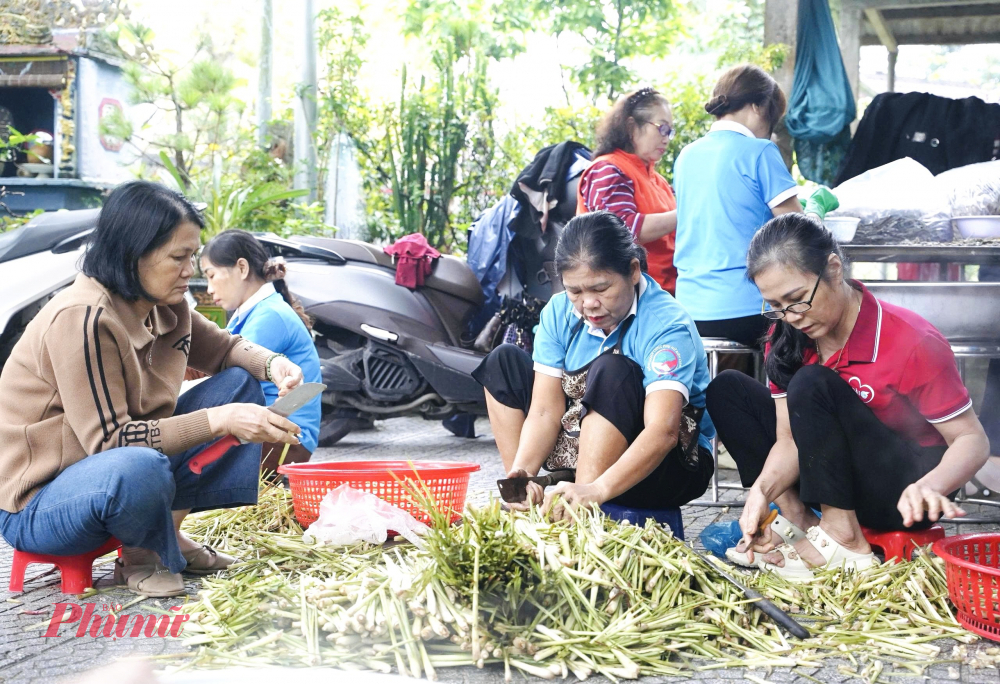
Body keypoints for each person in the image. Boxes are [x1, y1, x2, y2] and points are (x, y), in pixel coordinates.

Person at [0, 181, 305, 597]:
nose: (190, 270)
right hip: (42, 504)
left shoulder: (165, 303)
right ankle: (141, 554)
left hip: (118, 466)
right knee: (141, 465)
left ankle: (168, 537)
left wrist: (274, 365)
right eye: (178, 257)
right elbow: (110, 443)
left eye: (193, 255)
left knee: (237, 385)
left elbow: (225, 348)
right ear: (133, 254)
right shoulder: (83, 319)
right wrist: (218, 421)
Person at [706, 214, 989, 580]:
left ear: (834, 269)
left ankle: (846, 541)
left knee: (812, 383)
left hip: (902, 491)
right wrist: (762, 492)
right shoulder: (789, 336)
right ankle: (801, 525)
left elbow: (972, 441)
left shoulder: (910, 339)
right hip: (830, 477)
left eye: (796, 300)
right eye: (776, 305)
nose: (790, 317)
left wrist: (928, 487)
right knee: (728, 389)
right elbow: (789, 440)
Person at [473, 211, 714, 518]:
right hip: (581, 448)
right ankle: (525, 504)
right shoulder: (558, 312)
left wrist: (594, 491)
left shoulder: (666, 324)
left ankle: (578, 515)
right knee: (502, 362)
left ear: (634, 271)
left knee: (612, 368)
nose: (588, 304)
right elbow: (546, 409)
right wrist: (524, 471)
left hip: (669, 464)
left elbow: (663, 432)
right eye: (575, 291)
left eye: (600, 289)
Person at [672, 65, 802, 348]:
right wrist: (816, 210)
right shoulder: (760, 151)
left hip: (689, 310)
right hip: (751, 310)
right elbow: (798, 229)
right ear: (758, 107)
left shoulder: (686, 156)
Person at [201, 230, 322, 472]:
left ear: (242, 268)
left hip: (285, 442)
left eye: (211, 276)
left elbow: (224, 379)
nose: (209, 289)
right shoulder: (251, 314)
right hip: (271, 435)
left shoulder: (269, 316)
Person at [577, 88, 679, 294]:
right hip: (630, 299)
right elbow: (622, 230)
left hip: (666, 293)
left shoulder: (656, 180)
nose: (667, 138)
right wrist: (688, 214)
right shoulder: (607, 169)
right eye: (662, 128)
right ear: (632, 126)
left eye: (670, 131)